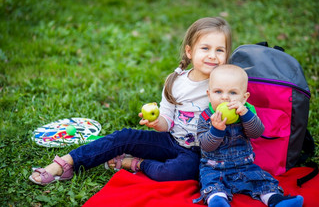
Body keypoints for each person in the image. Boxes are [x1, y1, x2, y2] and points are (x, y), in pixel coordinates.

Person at [29, 17, 232, 185]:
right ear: (190, 51)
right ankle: (65, 164)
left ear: (227, 54)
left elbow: (243, 116)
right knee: (123, 137)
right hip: (172, 141)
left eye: (219, 50)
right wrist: (156, 122)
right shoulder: (176, 81)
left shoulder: (227, 83)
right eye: (205, 48)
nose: (212, 56)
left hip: (202, 153)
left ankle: (135, 163)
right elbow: (167, 121)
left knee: (176, 173)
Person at [194, 65, 304, 207]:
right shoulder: (206, 117)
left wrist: (246, 115)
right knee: (211, 184)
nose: (225, 97)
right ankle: (218, 201)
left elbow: (257, 133)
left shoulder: (246, 113)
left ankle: (276, 200)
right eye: (218, 91)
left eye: (233, 93)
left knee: (263, 180)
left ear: (244, 97)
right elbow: (206, 146)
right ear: (209, 94)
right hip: (214, 168)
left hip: (244, 166)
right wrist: (216, 130)